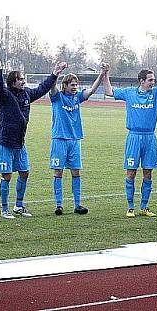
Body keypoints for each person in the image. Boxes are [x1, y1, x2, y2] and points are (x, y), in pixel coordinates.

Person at [103, 60, 157, 218]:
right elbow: (108, 91)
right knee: (131, 173)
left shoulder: (155, 93)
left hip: (149, 138)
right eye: (150, 80)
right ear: (141, 81)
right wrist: (106, 73)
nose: (153, 83)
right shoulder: (129, 93)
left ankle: (144, 206)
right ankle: (130, 207)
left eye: (153, 80)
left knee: (148, 173)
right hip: (134, 137)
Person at [0, 54, 60, 219]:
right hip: (5, 140)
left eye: (23, 78)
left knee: (24, 172)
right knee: (7, 175)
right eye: (20, 79)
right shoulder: (4, 94)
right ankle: (4, 209)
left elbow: (42, 88)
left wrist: (55, 74)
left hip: (19, 141)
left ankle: (19, 205)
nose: (23, 81)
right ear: (13, 81)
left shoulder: (27, 94)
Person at [48, 64, 105, 216]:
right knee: (58, 172)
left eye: (76, 84)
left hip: (74, 140)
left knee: (76, 172)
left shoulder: (77, 97)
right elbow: (52, 88)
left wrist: (102, 73)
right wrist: (56, 73)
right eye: (72, 84)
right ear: (65, 85)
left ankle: (77, 204)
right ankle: (59, 205)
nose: (75, 87)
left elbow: (91, 90)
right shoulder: (57, 97)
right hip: (59, 139)